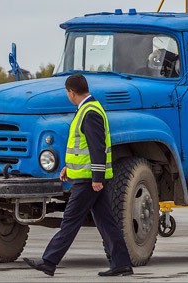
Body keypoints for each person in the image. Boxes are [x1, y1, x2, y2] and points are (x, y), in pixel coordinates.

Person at [23, 73, 134, 278]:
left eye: (67, 92)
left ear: (71, 92)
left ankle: (49, 261)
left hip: (89, 180)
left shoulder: (90, 112)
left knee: (70, 221)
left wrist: (97, 179)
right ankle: (122, 263)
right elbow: (80, 148)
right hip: (86, 176)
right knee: (106, 222)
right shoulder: (87, 109)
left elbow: (97, 147)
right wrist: (68, 168)